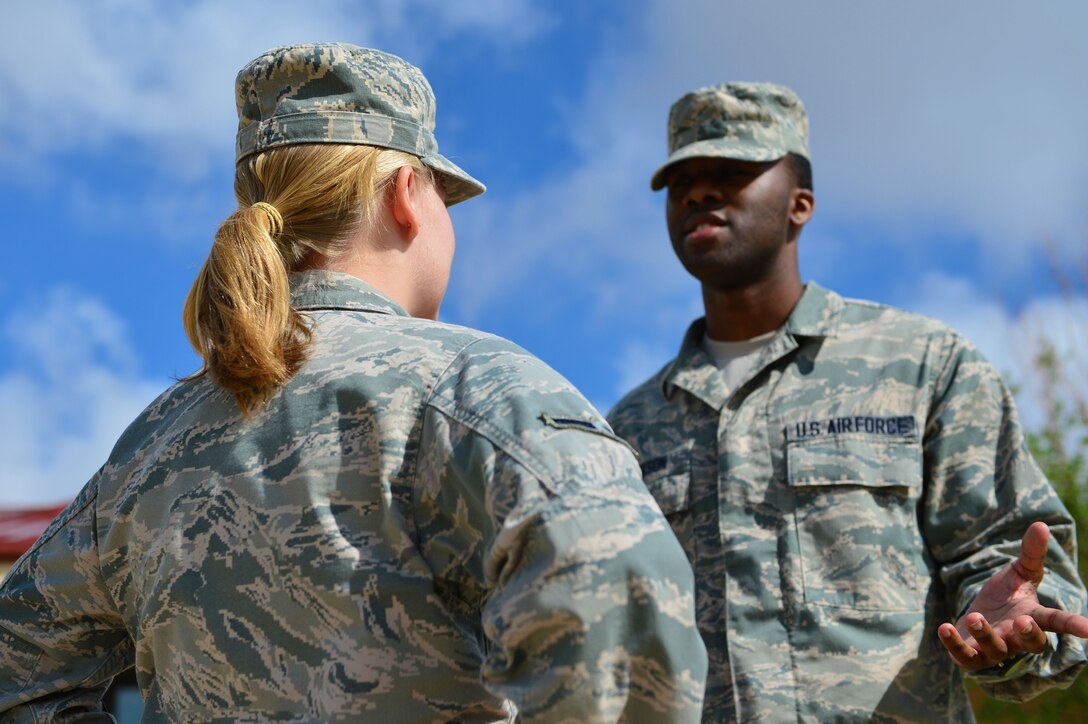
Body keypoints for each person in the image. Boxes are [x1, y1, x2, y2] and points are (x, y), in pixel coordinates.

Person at [0, 43, 708, 722]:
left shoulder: (147, 449)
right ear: (407, 194)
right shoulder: (475, 390)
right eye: (442, 196)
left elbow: (16, 673)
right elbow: (624, 598)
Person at [606, 81, 1088, 721]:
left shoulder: (922, 365)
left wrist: (1006, 635)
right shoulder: (625, 432)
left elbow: (1007, 556)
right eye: (681, 181)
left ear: (799, 203)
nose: (699, 192)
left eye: (733, 170)